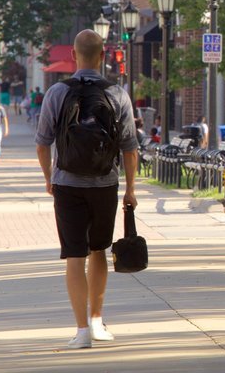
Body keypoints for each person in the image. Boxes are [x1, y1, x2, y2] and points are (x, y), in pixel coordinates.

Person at [35, 29, 137, 349]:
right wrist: (130, 189)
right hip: (105, 183)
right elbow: (130, 147)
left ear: (75, 56)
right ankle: (96, 320)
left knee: (74, 256)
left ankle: (80, 331)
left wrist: (48, 178)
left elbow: (42, 142)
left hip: (67, 184)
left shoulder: (57, 93)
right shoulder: (118, 93)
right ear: (103, 56)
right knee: (99, 251)